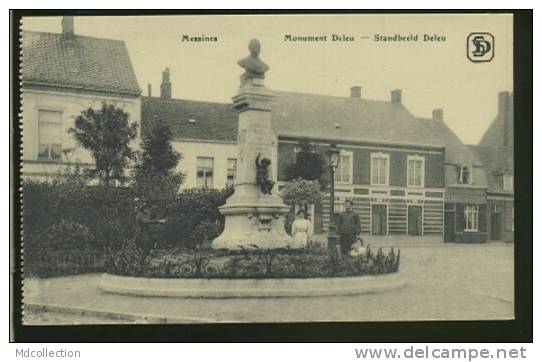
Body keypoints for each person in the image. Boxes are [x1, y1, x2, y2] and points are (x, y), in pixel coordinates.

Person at [134, 203, 166, 271]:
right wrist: (158, 221)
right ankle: (139, 266)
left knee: (146, 250)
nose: (149, 211)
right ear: (144, 209)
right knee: (146, 249)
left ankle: (141, 265)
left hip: (142, 236)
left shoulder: (142, 215)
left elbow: (150, 219)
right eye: (148, 209)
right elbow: (145, 222)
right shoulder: (141, 216)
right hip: (141, 236)